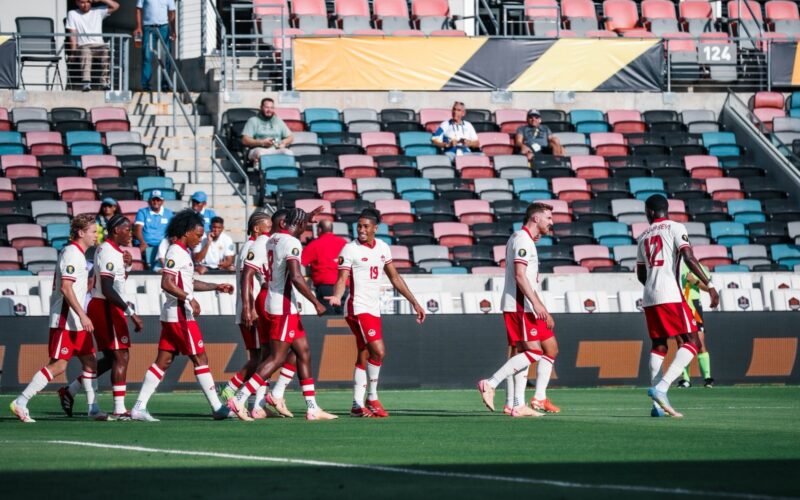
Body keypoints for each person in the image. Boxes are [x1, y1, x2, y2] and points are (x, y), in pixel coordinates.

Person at [227, 207, 337, 421]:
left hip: (273, 301)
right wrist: (316, 302)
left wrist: (306, 216)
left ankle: (310, 407)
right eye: (303, 224)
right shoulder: (291, 242)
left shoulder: (271, 240)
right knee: (276, 358)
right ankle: (239, 398)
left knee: (302, 351)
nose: (305, 229)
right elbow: (296, 276)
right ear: (294, 224)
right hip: (282, 306)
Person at [130, 210, 234, 422]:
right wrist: (189, 299)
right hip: (180, 314)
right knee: (200, 358)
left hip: (174, 313)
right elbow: (166, 283)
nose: (200, 239)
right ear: (187, 232)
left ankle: (139, 407)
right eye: (198, 234)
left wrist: (216, 286)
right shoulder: (176, 252)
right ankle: (217, 407)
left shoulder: (183, 252)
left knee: (164, 360)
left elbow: (189, 283)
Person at [327, 209, 426, 418]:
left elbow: (395, 277)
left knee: (364, 352)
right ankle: (372, 398)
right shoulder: (350, 249)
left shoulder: (382, 247)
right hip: (357, 307)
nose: (361, 230)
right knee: (379, 351)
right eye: (359, 226)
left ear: (375, 228)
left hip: (373, 308)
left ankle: (357, 405)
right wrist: (337, 295)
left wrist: (414, 302)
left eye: (365, 226)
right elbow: (341, 278)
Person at [10, 214, 107, 423]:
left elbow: (77, 286)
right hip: (66, 320)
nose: (96, 236)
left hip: (77, 321)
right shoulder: (72, 253)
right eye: (93, 232)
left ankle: (93, 408)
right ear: (81, 233)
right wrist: (83, 315)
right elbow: (66, 288)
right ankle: (21, 401)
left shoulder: (79, 255)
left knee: (90, 363)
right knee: (59, 366)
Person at [636, 195, 719, 418]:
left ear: (650, 212)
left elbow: (641, 274)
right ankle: (662, 388)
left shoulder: (642, 236)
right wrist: (710, 285)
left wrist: (654, 286)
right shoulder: (675, 227)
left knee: (659, 345)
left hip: (649, 296)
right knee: (693, 341)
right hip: (670, 294)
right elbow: (689, 258)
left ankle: (656, 406)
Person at [477, 202, 558, 418]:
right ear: (536, 218)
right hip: (521, 306)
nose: (551, 222)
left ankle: (517, 405)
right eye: (548, 218)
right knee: (534, 352)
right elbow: (520, 276)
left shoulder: (521, 238)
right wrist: (537, 304)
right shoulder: (522, 240)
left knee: (524, 353)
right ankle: (490, 383)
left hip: (522, 305)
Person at [59, 215, 144, 420]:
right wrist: (131, 312)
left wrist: (128, 267)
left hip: (107, 305)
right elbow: (107, 288)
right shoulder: (107, 251)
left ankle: (70, 390)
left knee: (110, 358)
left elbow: (117, 283)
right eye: (127, 229)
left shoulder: (113, 251)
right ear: (116, 230)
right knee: (121, 356)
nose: (131, 233)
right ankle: (119, 408)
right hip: (106, 306)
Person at [222, 211, 275, 419]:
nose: (270, 231)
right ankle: (230, 389)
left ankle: (257, 405)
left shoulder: (254, 247)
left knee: (263, 357)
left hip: (252, 308)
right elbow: (247, 279)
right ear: (256, 228)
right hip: (251, 310)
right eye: (267, 227)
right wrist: (250, 307)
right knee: (260, 357)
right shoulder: (251, 248)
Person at [66, 0, 119, 92]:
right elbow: (73, 34)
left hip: (99, 45)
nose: (85, 5)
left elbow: (116, 6)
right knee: (85, 52)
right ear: (77, 2)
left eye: (88, 2)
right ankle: (86, 82)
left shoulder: (98, 11)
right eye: (82, 2)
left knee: (106, 52)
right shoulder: (72, 14)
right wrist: (73, 52)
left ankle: (105, 82)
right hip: (84, 45)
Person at [676, 261, 714, 388]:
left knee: (700, 342)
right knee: (681, 343)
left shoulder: (696, 265)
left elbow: (709, 287)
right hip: (677, 304)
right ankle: (685, 379)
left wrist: (695, 281)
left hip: (693, 305)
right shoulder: (672, 263)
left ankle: (707, 378)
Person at [302, 220, 347, 315]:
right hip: (343, 285)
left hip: (325, 286)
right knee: (344, 316)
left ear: (319, 230)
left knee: (328, 319)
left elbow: (301, 262)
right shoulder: (344, 243)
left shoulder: (314, 244)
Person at [133, 0, 176, 91]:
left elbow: (172, 12)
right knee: (147, 56)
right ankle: (146, 85)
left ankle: (165, 84)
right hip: (148, 27)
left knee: (166, 56)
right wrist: (139, 27)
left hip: (164, 27)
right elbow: (138, 9)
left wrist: (173, 30)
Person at [241, 97, 294, 164]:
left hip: (276, 149)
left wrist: (283, 143)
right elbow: (244, 140)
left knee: (289, 153)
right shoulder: (253, 121)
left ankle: (285, 170)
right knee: (260, 154)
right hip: (259, 149)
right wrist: (262, 142)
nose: (269, 110)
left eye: (271, 108)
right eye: (267, 107)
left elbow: (290, 137)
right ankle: (263, 170)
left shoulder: (278, 120)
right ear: (261, 107)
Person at [133, 190, 173, 260]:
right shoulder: (142, 212)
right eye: (153, 200)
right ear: (149, 201)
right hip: (145, 244)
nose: (155, 202)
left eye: (158, 200)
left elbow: (172, 231)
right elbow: (137, 229)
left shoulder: (169, 213)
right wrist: (142, 242)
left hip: (162, 246)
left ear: (162, 201)